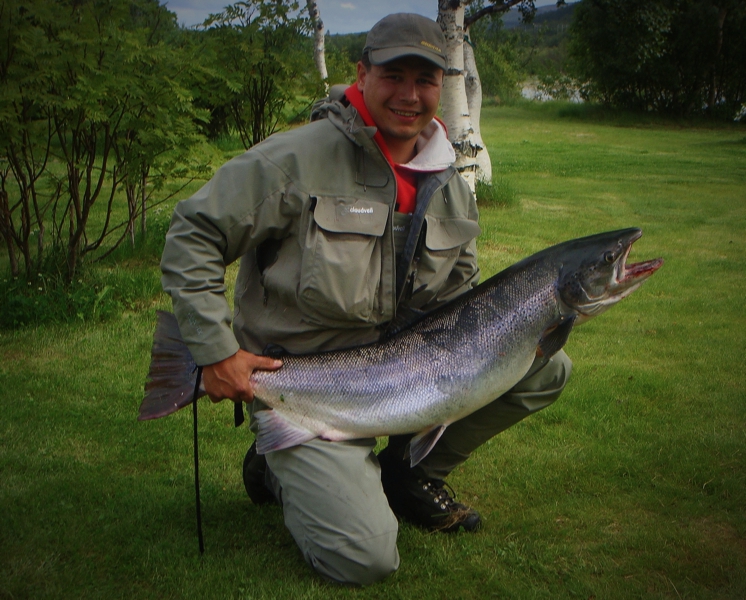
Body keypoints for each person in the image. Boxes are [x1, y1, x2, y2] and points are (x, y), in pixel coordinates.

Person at [161, 12, 572, 586]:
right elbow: (193, 232)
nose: (410, 94)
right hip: (301, 382)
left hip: (405, 376)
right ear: (361, 73)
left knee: (541, 362)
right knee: (365, 558)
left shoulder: (449, 180)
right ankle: (279, 462)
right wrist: (211, 350)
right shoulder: (297, 159)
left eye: (425, 80)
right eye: (393, 75)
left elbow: (457, 295)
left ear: (442, 86)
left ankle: (405, 474)